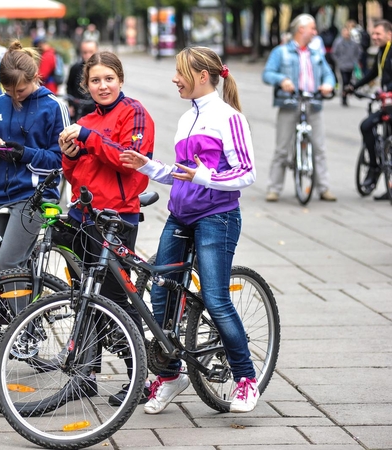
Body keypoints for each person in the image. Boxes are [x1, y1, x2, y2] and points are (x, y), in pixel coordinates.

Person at [119, 46, 258, 414]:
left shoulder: (229, 118)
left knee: (215, 298)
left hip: (217, 217)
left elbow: (247, 172)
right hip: (180, 216)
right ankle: (170, 375)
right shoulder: (186, 119)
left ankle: (246, 378)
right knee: (161, 296)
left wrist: (205, 176)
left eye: (180, 72)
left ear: (201, 75)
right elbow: (181, 173)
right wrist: (147, 166)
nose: (174, 78)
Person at [58, 50, 155, 406]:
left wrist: (89, 138)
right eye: (95, 80)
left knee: (116, 301)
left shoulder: (135, 113)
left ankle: (141, 378)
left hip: (116, 219)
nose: (102, 86)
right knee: (82, 299)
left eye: (109, 79)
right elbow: (74, 174)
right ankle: (86, 376)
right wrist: (68, 154)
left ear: (121, 80)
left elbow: (130, 162)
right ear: (86, 84)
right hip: (81, 217)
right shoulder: (86, 119)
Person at [0, 39, 66, 287]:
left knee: (7, 266)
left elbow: (62, 161)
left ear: (36, 77)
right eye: (8, 90)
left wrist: (24, 153)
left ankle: (21, 326)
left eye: (21, 91)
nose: (15, 96)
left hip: (33, 196)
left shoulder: (54, 106)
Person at [262, 14, 337, 202]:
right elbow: (267, 73)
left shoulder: (316, 53)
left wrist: (328, 85)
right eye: (312, 28)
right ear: (301, 29)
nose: (315, 32)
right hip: (289, 103)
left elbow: (329, 76)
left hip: (313, 103)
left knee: (319, 148)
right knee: (282, 148)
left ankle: (323, 188)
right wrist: (282, 80)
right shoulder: (281, 52)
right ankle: (274, 189)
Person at [345, 19, 392, 201]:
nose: (374, 37)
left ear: (389, 34)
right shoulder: (382, 51)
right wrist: (354, 86)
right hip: (386, 103)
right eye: (373, 34)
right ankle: (374, 167)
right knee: (366, 126)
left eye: (378, 34)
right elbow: (373, 73)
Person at [65, 39, 98, 121]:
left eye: (91, 52)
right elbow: (69, 86)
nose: (88, 55)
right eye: (85, 52)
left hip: (96, 108)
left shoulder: (101, 69)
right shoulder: (75, 68)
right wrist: (71, 105)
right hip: (78, 109)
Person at [331, 26, 362, 106]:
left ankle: (347, 93)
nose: (347, 34)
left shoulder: (354, 43)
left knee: (349, 81)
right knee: (344, 81)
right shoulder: (338, 42)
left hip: (351, 65)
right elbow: (334, 53)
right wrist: (339, 61)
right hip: (342, 65)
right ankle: (344, 97)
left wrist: (355, 61)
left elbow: (358, 52)